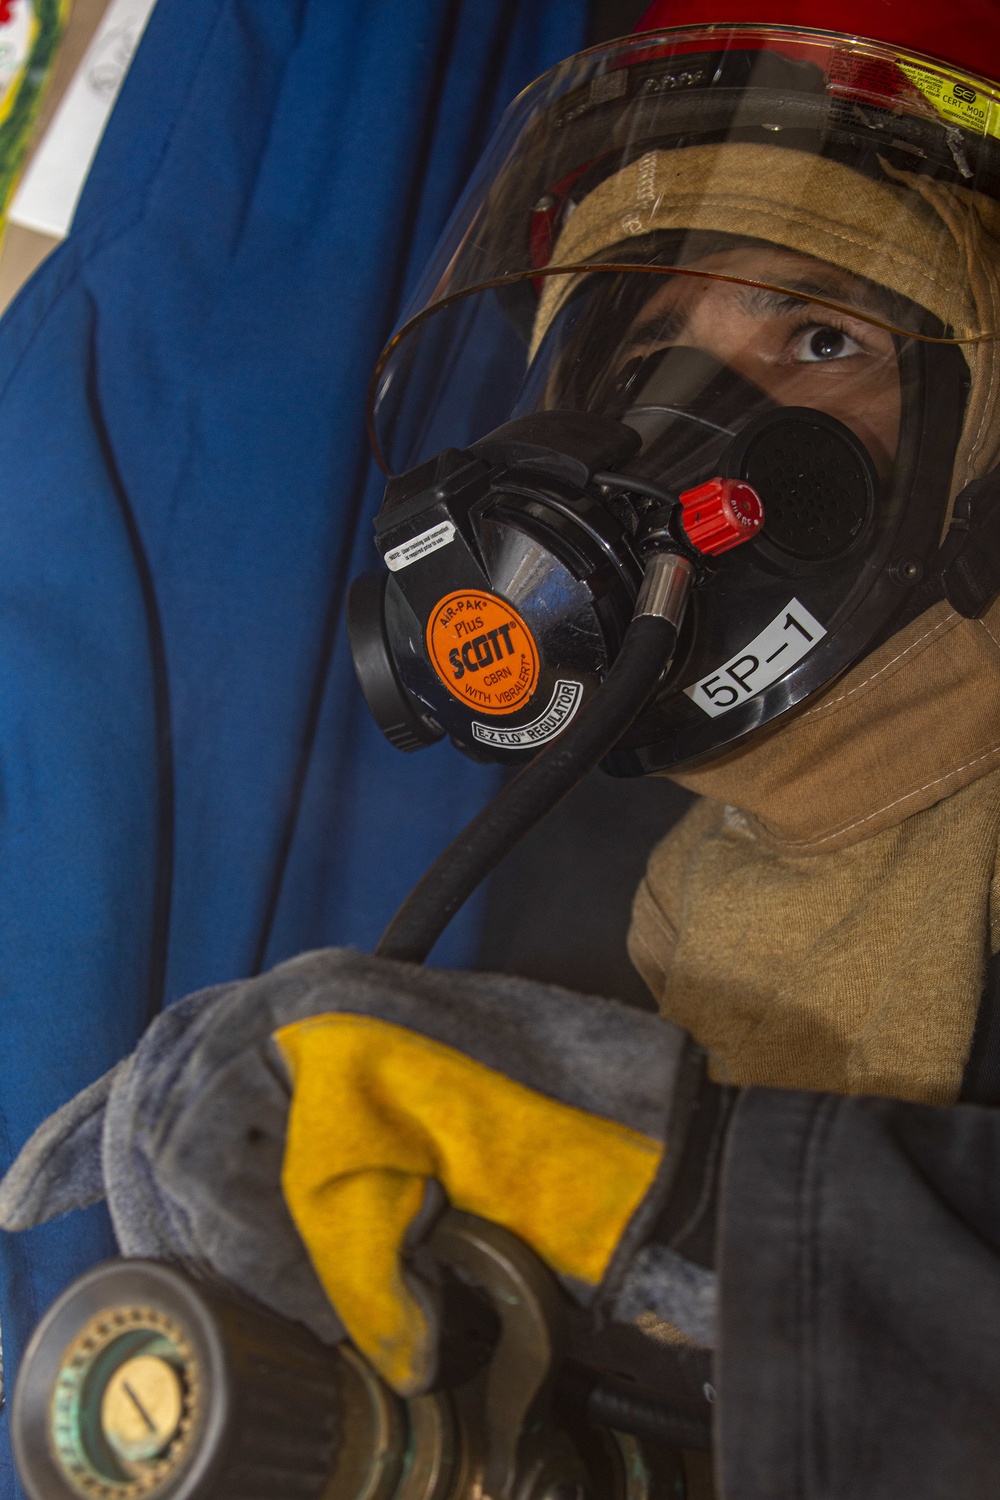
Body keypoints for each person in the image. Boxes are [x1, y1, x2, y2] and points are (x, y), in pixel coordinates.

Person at [5, 5, 1000, 1496]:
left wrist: (674, 1194)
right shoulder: (606, 894)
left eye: (821, 335)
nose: (688, 436)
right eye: (653, 346)